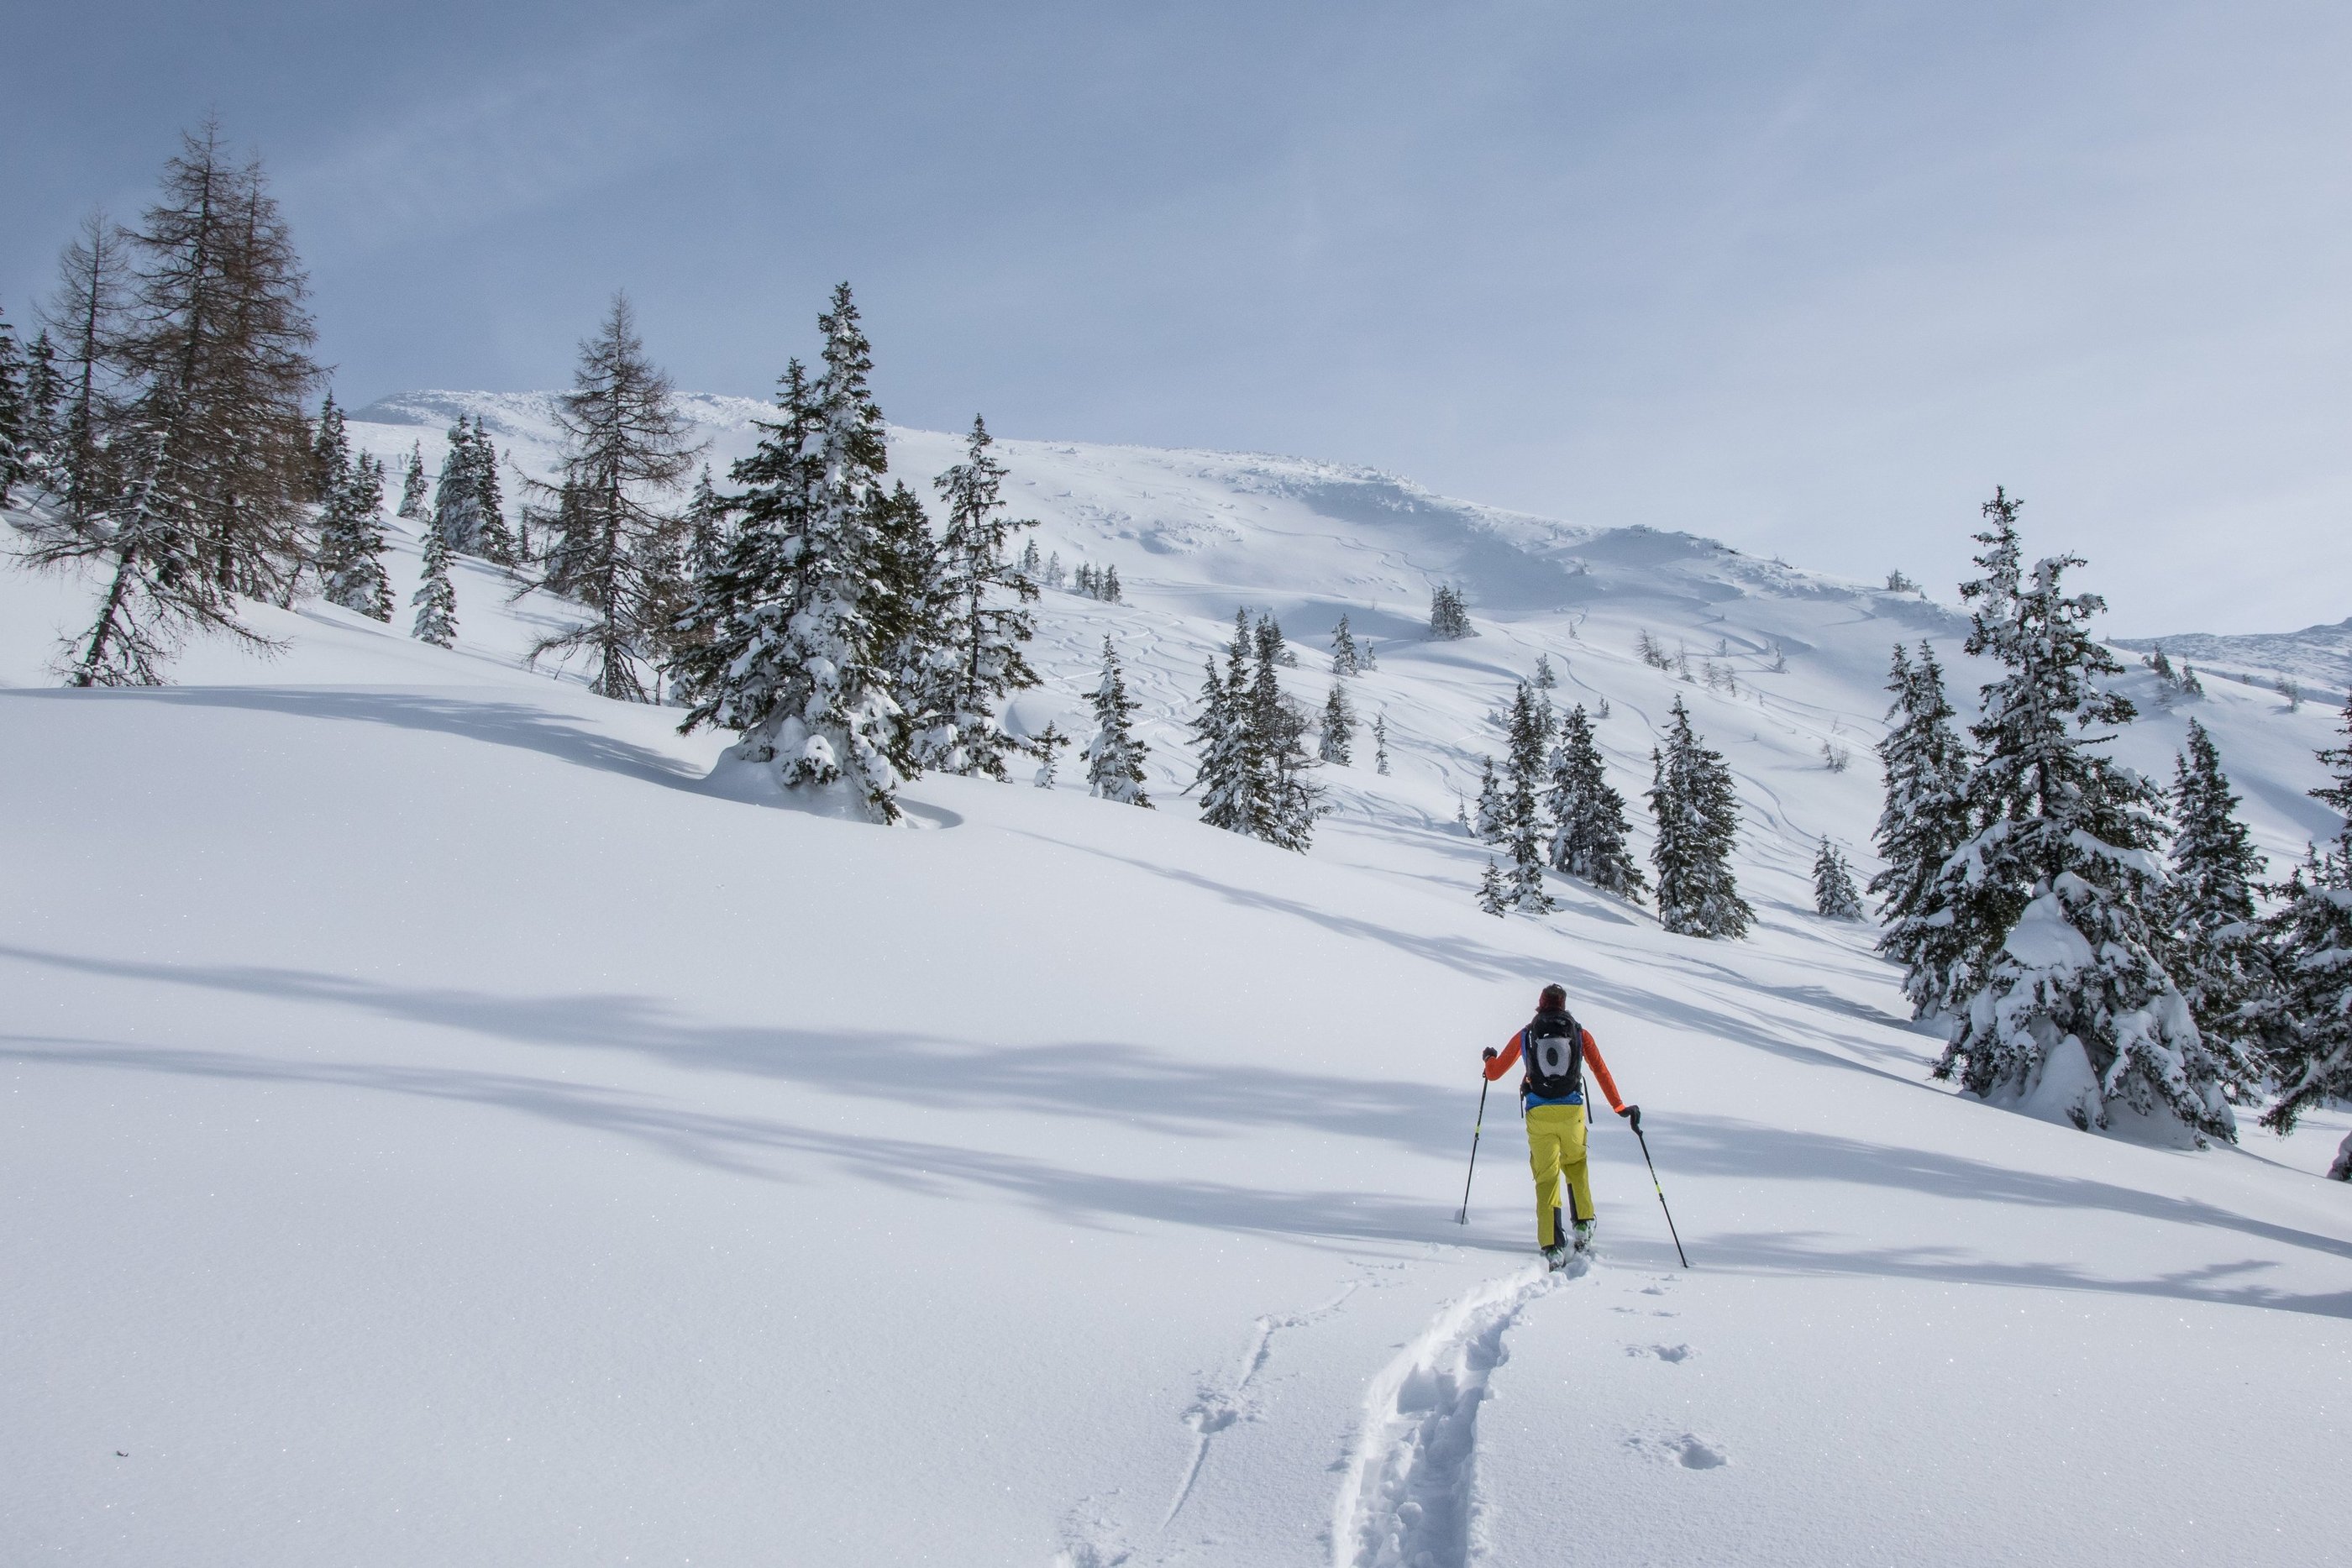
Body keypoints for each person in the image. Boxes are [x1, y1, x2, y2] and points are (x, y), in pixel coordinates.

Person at [1483, 983, 1640, 1266]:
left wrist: (1488, 1059)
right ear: (1564, 1006)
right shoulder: (1579, 1033)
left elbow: (1494, 1074)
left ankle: (1552, 1244)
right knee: (1576, 1165)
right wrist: (1619, 1106)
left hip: (1539, 1114)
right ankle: (1582, 1225)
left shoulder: (1527, 1034)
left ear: (1540, 1005)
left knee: (1546, 1177)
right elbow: (1600, 1070)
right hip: (1572, 1114)